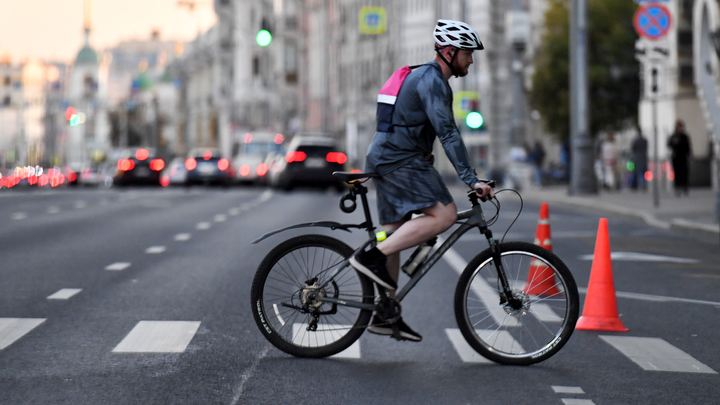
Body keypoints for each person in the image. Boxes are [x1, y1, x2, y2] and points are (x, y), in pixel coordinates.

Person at [350, 20, 494, 342]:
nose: (470, 60)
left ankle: (384, 314)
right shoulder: (431, 81)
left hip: (387, 157)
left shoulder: (427, 77)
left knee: (394, 234)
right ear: (449, 51)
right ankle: (369, 257)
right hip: (400, 160)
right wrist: (471, 180)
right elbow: (448, 132)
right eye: (467, 53)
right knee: (443, 215)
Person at [667, 120, 692, 196]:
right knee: (677, 173)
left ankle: (685, 186)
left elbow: (688, 147)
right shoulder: (673, 136)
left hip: (683, 157)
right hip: (676, 158)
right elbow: (669, 144)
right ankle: (677, 187)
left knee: (684, 173)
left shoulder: (684, 136)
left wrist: (689, 155)